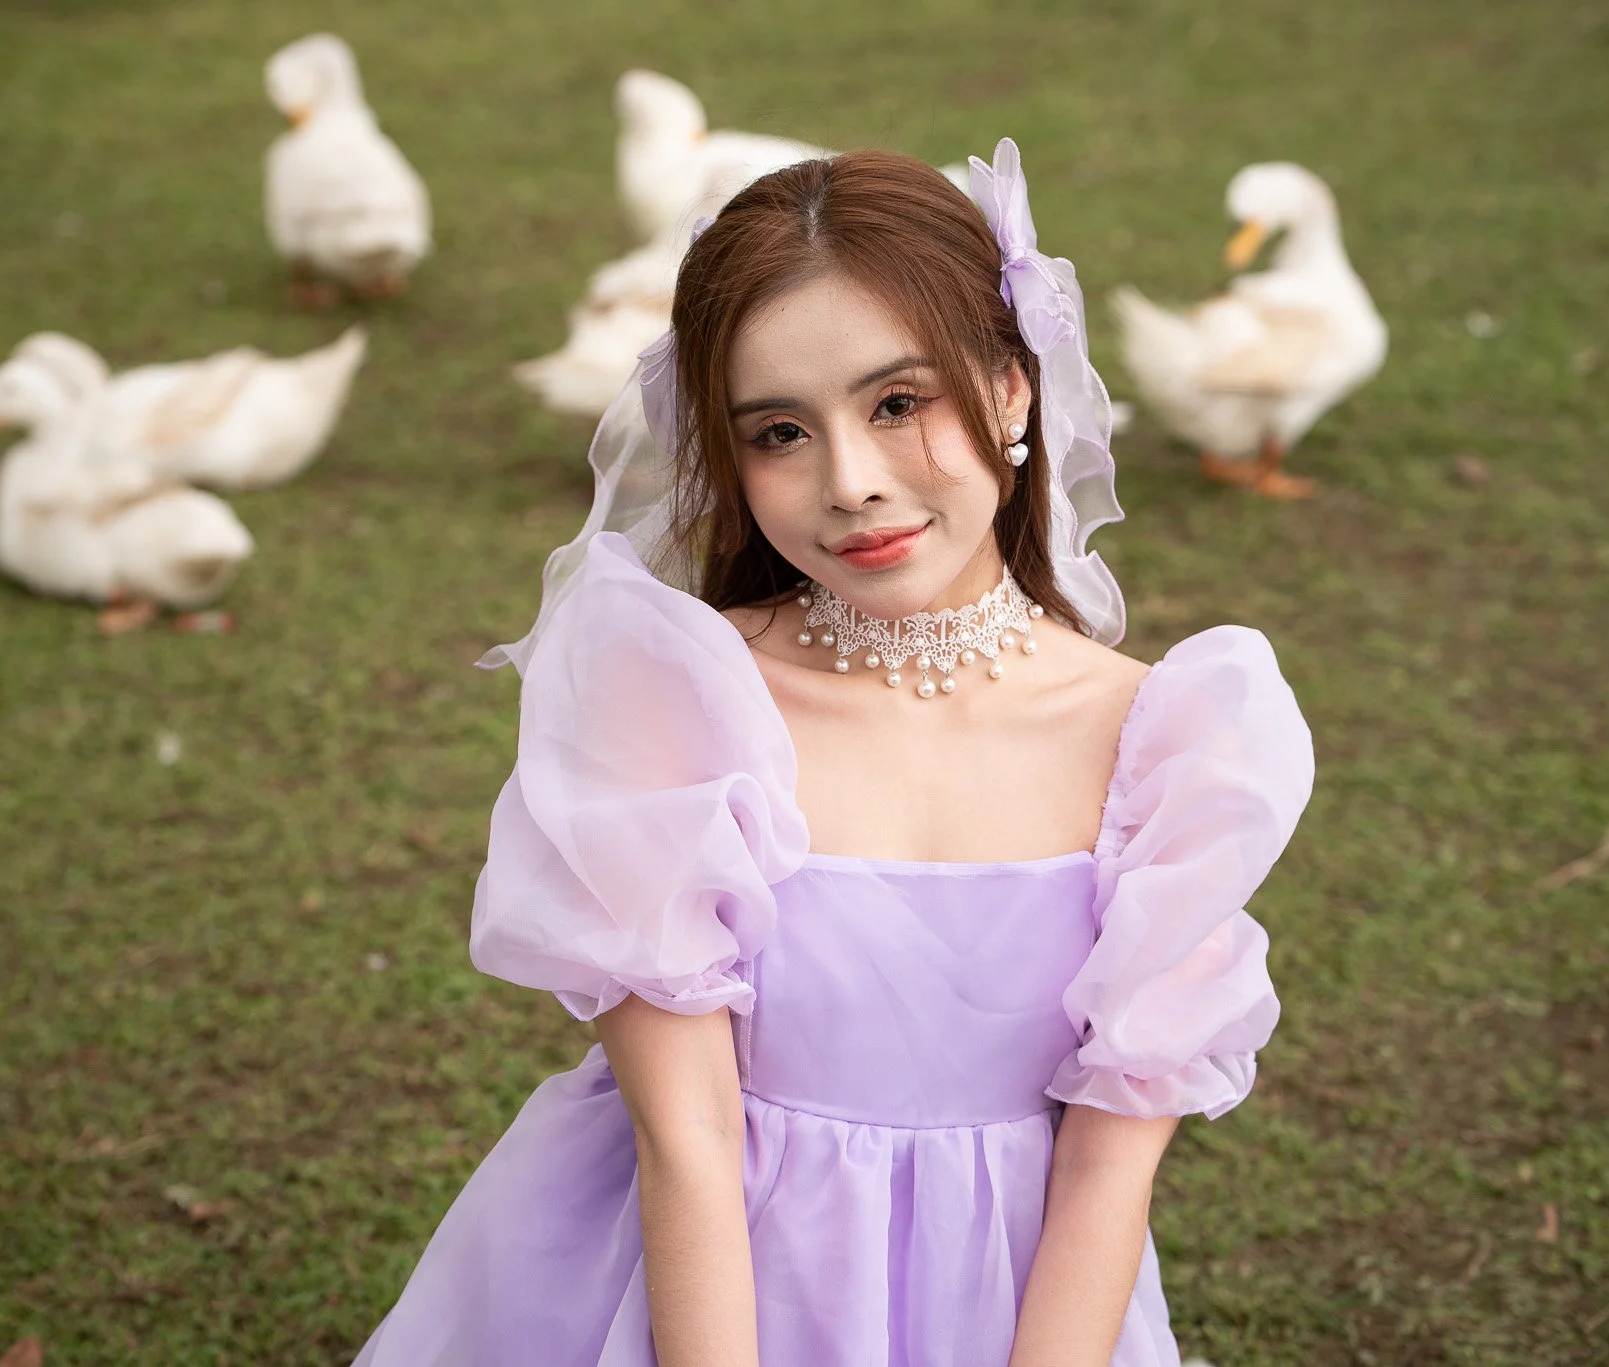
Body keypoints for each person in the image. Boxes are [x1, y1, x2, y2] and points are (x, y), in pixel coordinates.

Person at [351, 139, 1314, 1367]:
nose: (849, 481)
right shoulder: (680, 701)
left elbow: (1104, 1178)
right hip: (692, 1296)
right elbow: (685, 1141)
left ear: (1012, 389)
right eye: (778, 432)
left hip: (1022, 1310)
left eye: (897, 402)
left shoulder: (1164, 742)